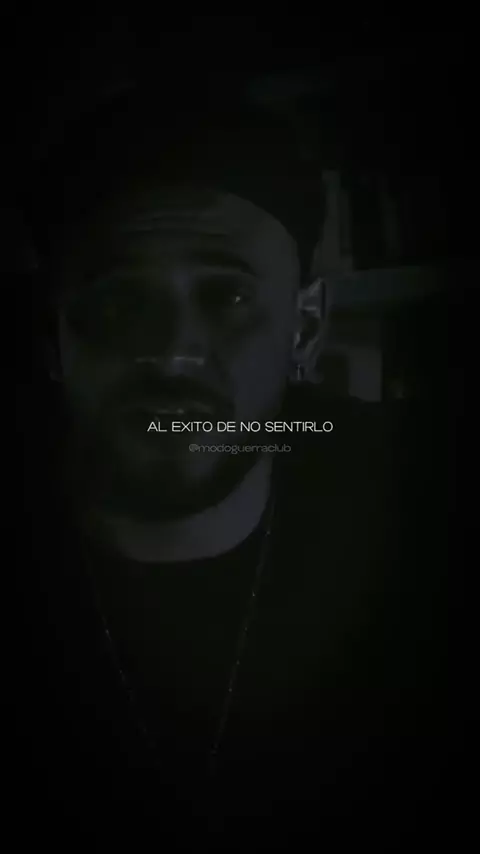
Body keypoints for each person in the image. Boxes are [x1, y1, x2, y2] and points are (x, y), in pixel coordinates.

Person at [17, 86, 449, 840]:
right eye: (119, 302)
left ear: (304, 330)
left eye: (229, 297)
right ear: (52, 339)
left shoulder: (424, 544)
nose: (174, 352)